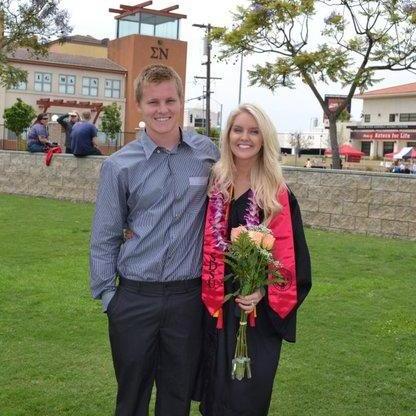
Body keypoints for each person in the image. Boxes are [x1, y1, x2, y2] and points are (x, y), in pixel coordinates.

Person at [90, 64, 219, 416]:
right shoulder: (119, 165)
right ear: (139, 107)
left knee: (177, 398)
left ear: (181, 101)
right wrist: (109, 297)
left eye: (170, 100)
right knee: (131, 397)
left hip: (187, 299)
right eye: (153, 102)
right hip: (134, 298)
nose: (162, 109)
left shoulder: (207, 155)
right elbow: (104, 236)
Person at [199, 103, 312, 416]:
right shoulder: (217, 185)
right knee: (215, 395)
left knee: (247, 399)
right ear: (228, 136)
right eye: (238, 130)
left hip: (256, 315)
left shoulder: (276, 196)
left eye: (253, 131)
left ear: (264, 139)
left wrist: (261, 291)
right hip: (216, 308)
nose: (244, 137)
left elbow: (293, 262)